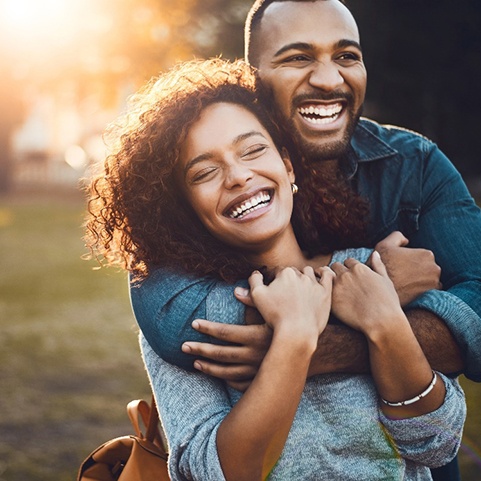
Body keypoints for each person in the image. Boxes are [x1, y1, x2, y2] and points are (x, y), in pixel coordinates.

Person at [129, 2, 481, 479]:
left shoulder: (379, 246)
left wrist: (364, 327)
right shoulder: (377, 275)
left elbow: (438, 442)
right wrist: (300, 330)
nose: (330, 80)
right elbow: (207, 458)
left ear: (285, 166)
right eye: (297, 57)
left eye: (347, 56)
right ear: (254, 77)